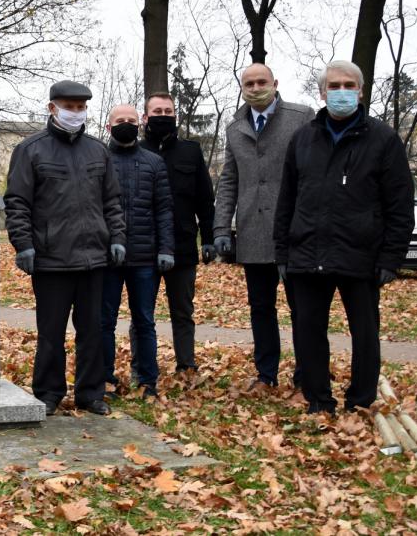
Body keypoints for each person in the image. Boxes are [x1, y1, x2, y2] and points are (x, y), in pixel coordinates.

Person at [274, 60, 414, 414]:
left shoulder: (383, 140)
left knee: (365, 335)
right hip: (307, 253)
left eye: (348, 85)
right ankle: (318, 400)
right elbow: (287, 200)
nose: (341, 92)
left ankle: (361, 401)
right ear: (322, 92)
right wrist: (283, 252)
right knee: (308, 333)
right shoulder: (303, 139)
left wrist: (391, 258)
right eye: (333, 86)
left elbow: (400, 205)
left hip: (361, 256)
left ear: (361, 91)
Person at [5, 80, 125, 417]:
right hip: (51, 259)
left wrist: (117, 237)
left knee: (93, 331)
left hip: (93, 259)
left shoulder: (98, 151)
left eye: (80, 107)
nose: (75, 112)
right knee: (51, 333)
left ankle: (91, 393)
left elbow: (112, 201)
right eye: (68, 106)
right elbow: (17, 202)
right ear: (52, 108)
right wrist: (24, 244)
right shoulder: (31, 150)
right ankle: (48, 392)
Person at [213, 63, 313, 394]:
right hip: (253, 231)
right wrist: (221, 228)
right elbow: (229, 180)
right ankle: (266, 374)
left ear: (275, 83)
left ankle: (306, 376)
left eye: (261, 82)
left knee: (302, 309)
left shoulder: (301, 117)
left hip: (296, 231)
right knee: (261, 308)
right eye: (249, 83)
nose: (255, 88)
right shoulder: (235, 128)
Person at [99, 104, 175, 399]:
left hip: (146, 258)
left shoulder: (154, 163)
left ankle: (148, 380)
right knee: (104, 320)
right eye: (120, 120)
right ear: (109, 126)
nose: (127, 124)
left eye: (131, 120)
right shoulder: (100, 159)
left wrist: (166, 248)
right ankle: (104, 378)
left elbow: (164, 210)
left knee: (144, 320)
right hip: (108, 257)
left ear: (139, 124)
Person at [139, 93, 216, 383]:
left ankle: (186, 365)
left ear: (175, 115)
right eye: (156, 110)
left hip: (183, 245)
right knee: (143, 312)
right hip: (145, 246)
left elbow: (205, 200)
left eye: (168, 110)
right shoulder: (135, 150)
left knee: (183, 309)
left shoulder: (191, 152)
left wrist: (208, 237)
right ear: (145, 117)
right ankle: (142, 367)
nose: (163, 115)